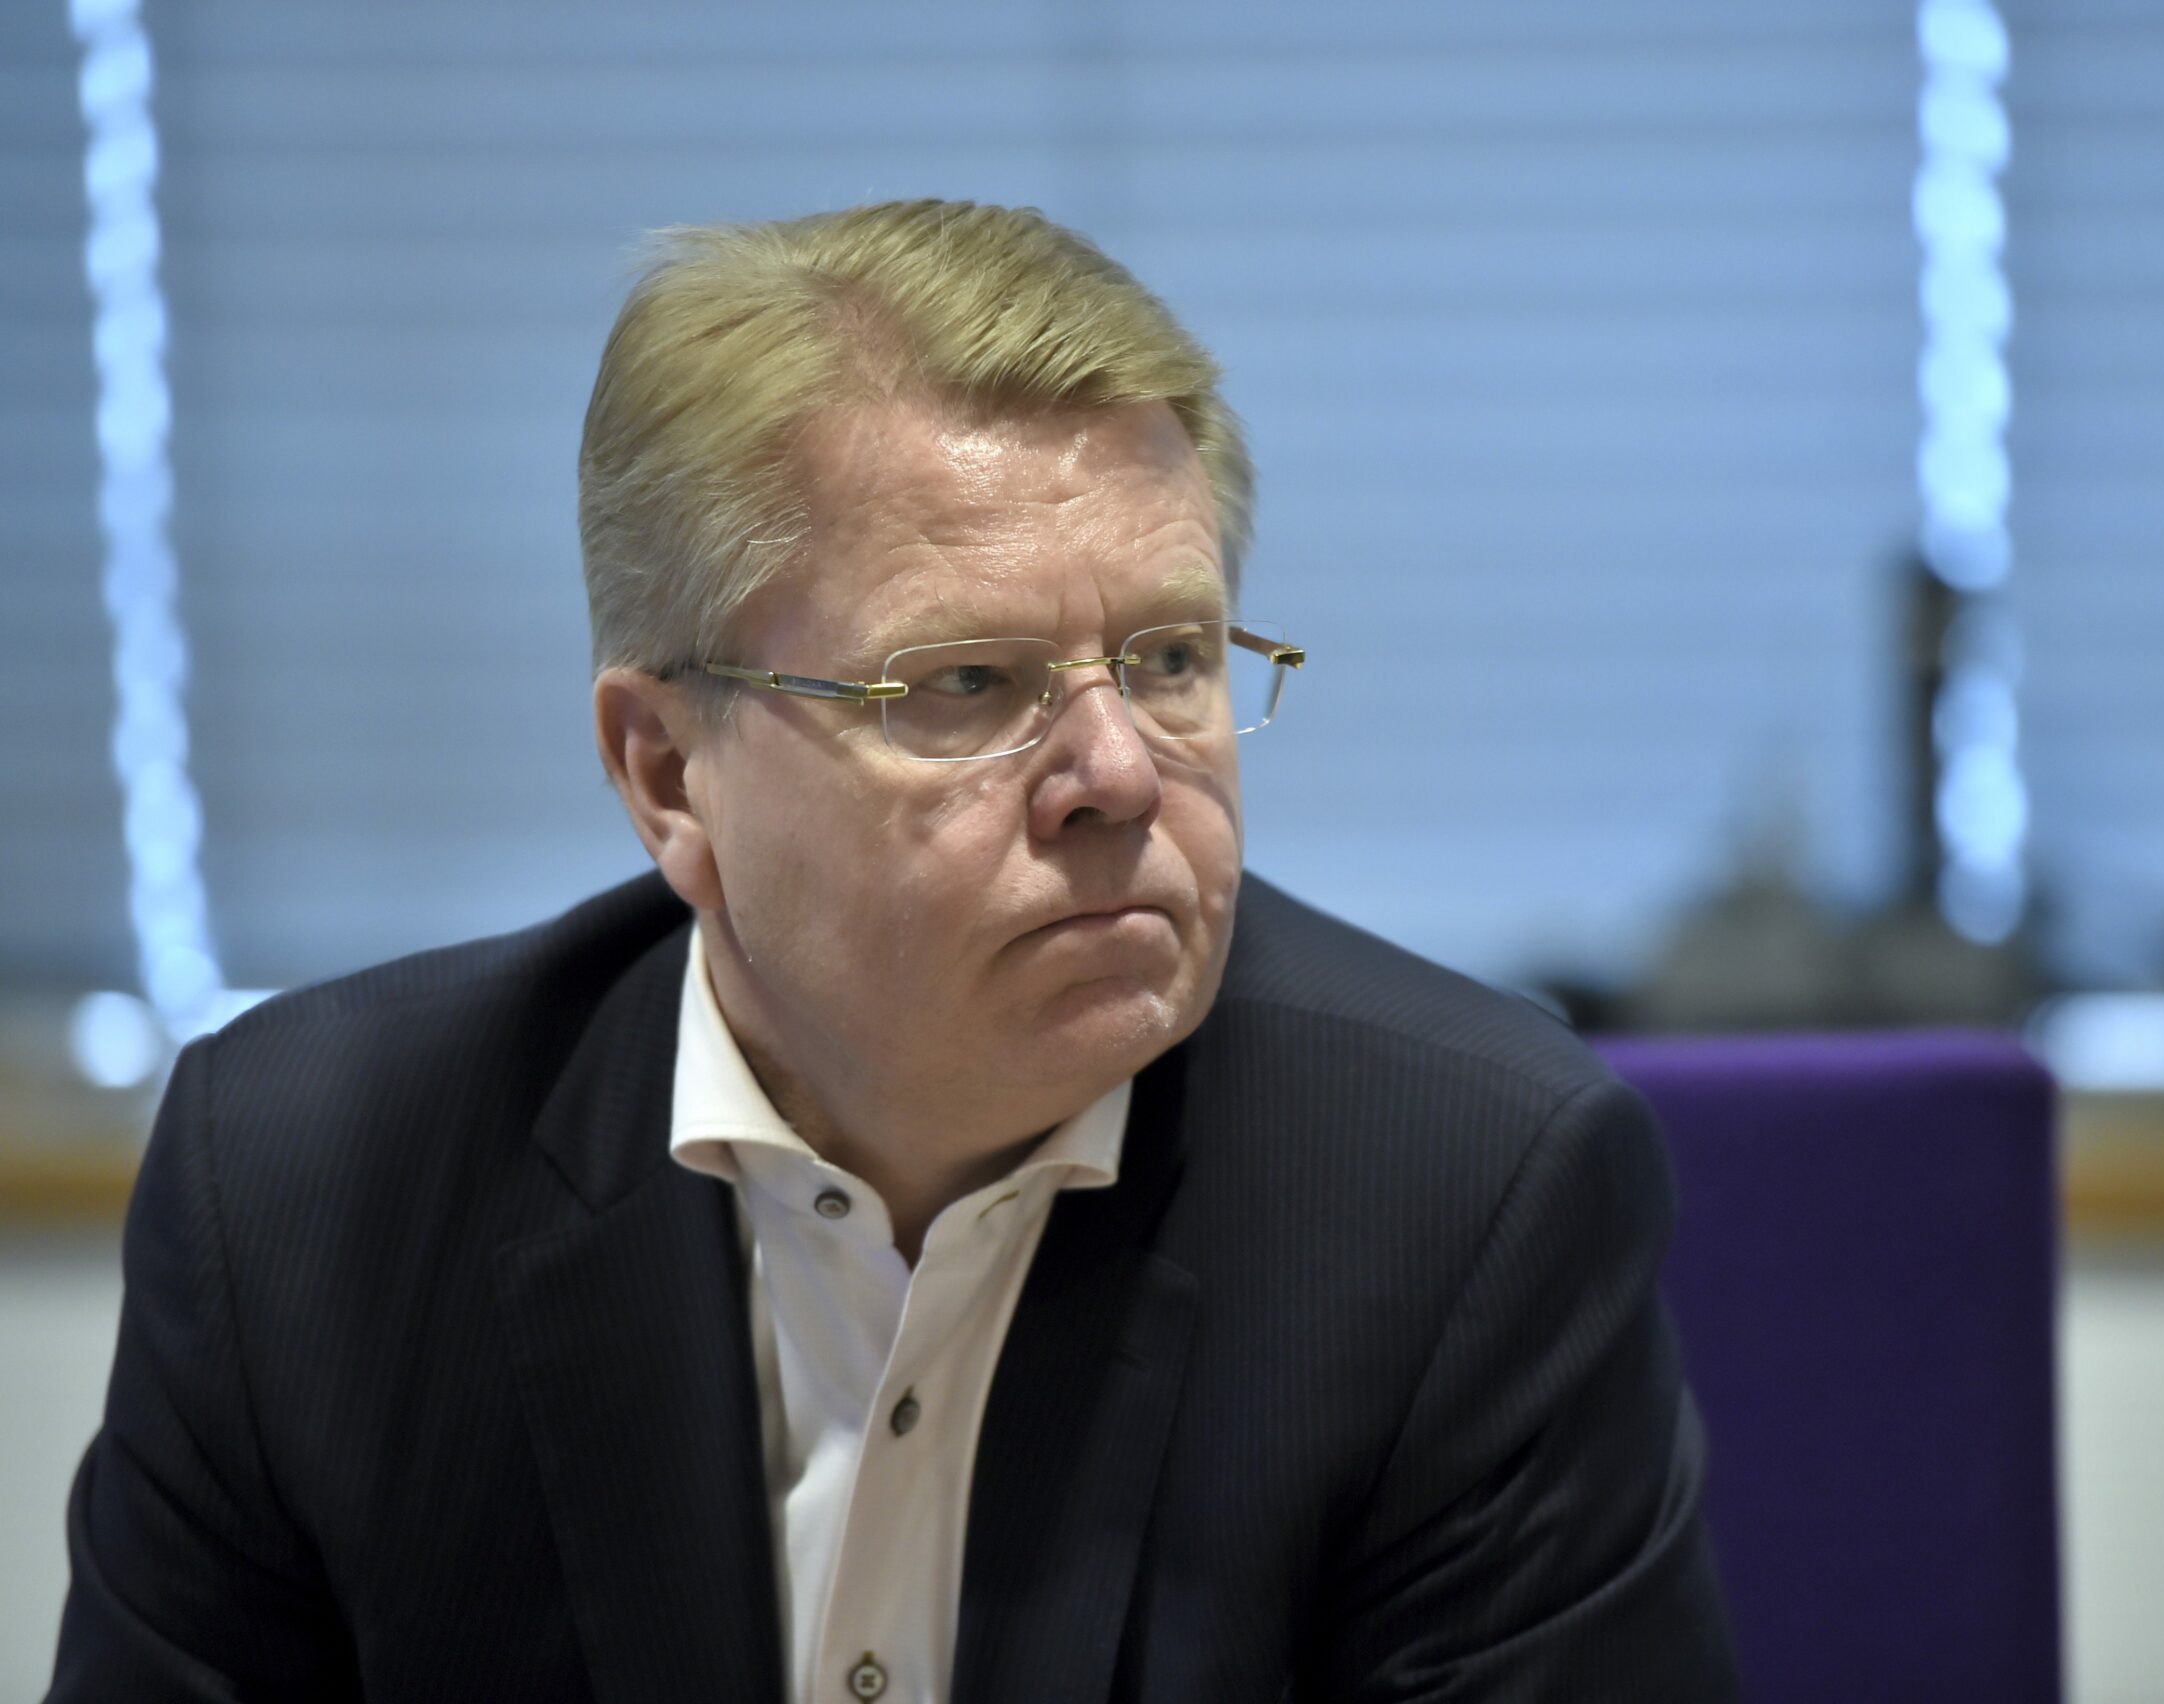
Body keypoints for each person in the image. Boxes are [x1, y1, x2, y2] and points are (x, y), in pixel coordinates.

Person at [51, 199, 1737, 1702]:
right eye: (964, 684)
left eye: (1170, 657)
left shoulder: (1467, 1198)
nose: (1119, 775)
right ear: (668, 774)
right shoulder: (308, 1199)